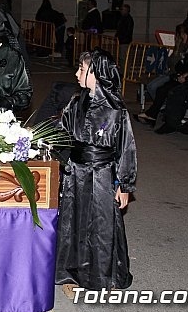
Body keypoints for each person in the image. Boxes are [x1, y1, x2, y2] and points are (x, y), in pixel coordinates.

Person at [56, 49, 137, 298]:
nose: (77, 73)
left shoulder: (116, 110)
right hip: (76, 173)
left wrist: (124, 184)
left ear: (96, 73)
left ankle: (105, 276)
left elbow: (126, 147)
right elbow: (62, 134)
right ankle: (73, 275)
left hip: (102, 174)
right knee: (75, 223)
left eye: (82, 69)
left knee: (103, 226)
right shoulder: (76, 102)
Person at [115, 3, 134, 69]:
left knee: (124, 58)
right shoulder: (123, 18)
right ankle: (122, 71)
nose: (121, 11)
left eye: (122, 9)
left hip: (125, 41)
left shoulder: (128, 19)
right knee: (121, 57)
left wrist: (120, 37)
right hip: (122, 41)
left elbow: (127, 31)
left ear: (126, 10)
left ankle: (125, 72)